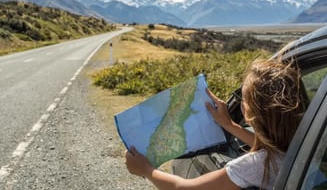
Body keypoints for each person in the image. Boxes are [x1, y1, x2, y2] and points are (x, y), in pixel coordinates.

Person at [124, 59, 306, 190]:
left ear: (250, 113)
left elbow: (183, 188)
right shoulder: (304, 143)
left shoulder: (255, 166)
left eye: (244, 100)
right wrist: (229, 125)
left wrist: (146, 170)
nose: (241, 104)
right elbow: (273, 148)